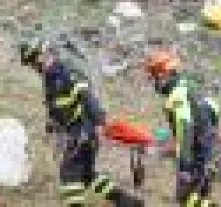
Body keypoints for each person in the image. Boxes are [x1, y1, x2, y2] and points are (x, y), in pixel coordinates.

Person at [19, 37, 144, 207]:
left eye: (32, 62)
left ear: (41, 56)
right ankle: (129, 203)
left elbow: (86, 96)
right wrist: (52, 124)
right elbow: (59, 105)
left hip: (83, 131)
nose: (33, 67)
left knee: (68, 175)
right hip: (78, 131)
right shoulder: (50, 77)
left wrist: (100, 121)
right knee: (86, 175)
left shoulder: (65, 71)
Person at [144, 50, 221, 207]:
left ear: (162, 75)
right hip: (210, 149)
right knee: (199, 198)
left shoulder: (176, 96)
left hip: (197, 155)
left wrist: (185, 166)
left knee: (186, 199)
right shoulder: (188, 85)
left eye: (154, 77)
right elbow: (213, 108)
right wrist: (210, 135)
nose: (154, 83)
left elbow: (185, 128)